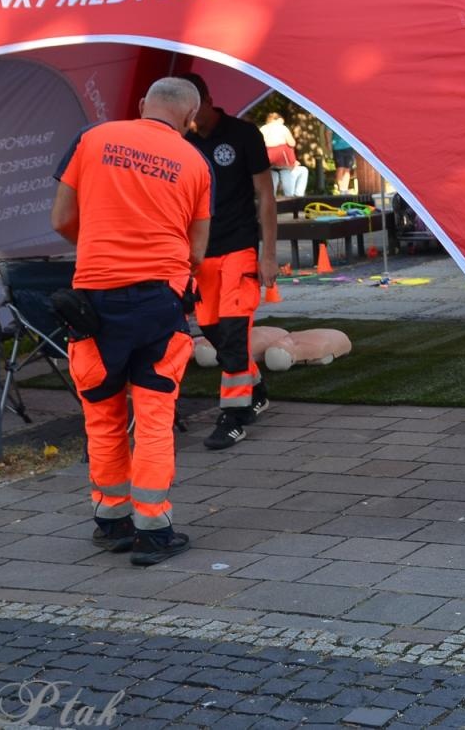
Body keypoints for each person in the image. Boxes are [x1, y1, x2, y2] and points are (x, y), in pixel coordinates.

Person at [50, 76, 211, 567]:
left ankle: (111, 519)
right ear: (189, 119)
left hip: (94, 301)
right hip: (159, 303)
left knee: (102, 414)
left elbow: (61, 219)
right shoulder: (196, 164)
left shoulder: (91, 140)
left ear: (142, 105)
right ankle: (153, 531)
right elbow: (197, 251)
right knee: (156, 418)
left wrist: (101, 242)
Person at [177, 73, 279, 451]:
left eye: (191, 108)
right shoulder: (182, 142)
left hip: (239, 249)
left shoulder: (243, 134)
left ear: (205, 99)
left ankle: (234, 416)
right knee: (214, 331)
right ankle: (257, 389)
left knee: (235, 332)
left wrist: (268, 255)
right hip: (201, 256)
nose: (187, 116)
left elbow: (265, 197)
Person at [260, 112, 299, 197]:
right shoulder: (282, 128)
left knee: (272, 184)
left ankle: (272, 203)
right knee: (287, 182)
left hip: (268, 159)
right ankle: (289, 202)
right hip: (282, 158)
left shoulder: (263, 128)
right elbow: (292, 143)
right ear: (278, 119)